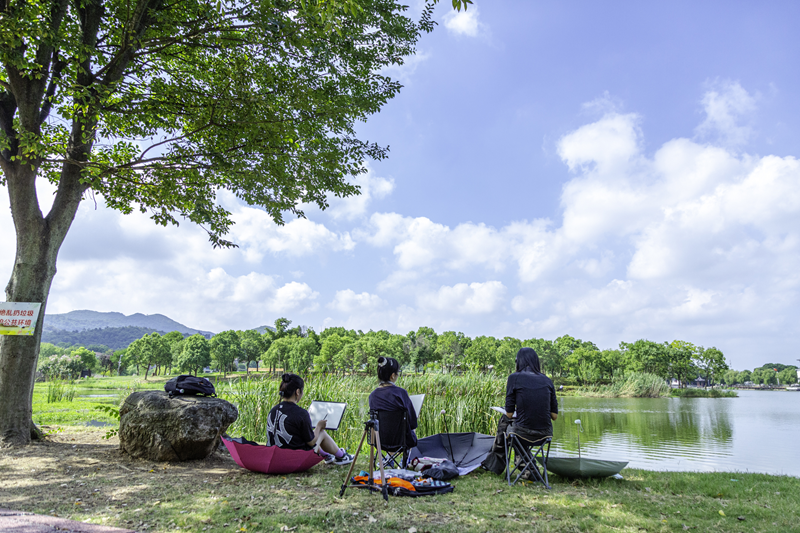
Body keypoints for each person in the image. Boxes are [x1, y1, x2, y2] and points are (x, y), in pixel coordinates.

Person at [481, 347, 558, 474]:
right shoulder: (547, 380)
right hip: (545, 434)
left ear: (519, 361)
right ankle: (528, 468)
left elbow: (510, 413)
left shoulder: (514, 378)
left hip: (522, 433)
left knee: (506, 422)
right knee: (515, 427)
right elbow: (554, 416)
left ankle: (496, 465)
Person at [266, 373, 354, 465]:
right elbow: (311, 442)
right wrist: (319, 426)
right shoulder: (301, 413)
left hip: (276, 457)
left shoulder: (273, 410)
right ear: (297, 392)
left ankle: (327, 455)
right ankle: (342, 456)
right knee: (321, 433)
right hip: (294, 460)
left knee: (307, 435)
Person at [368, 356, 418, 448]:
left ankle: (388, 459)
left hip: (379, 441)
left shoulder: (372, 395)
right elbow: (413, 423)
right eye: (398, 373)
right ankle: (405, 459)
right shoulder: (401, 393)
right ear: (393, 376)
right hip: (402, 442)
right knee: (411, 429)